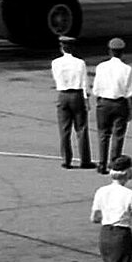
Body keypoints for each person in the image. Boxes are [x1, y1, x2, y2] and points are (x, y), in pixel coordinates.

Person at [89, 155, 132, 262]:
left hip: (105, 234)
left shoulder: (101, 191)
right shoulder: (130, 194)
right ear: (126, 172)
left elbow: (94, 217)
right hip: (121, 235)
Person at [91, 37, 132, 173]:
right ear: (122, 53)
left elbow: (96, 89)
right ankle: (114, 163)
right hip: (120, 103)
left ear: (110, 51)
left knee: (103, 134)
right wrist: (131, 110)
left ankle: (102, 164)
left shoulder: (101, 67)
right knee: (118, 135)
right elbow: (130, 93)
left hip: (103, 103)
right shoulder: (127, 69)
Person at [51, 35, 95, 169]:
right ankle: (85, 160)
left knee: (64, 129)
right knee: (81, 128)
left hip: (63, 95)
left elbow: (55, 78)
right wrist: (86, 99)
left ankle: (66, 159)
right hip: (77, 95)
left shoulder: (55, 62)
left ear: (61, 48)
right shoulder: (80, 63)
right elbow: (84, 83)